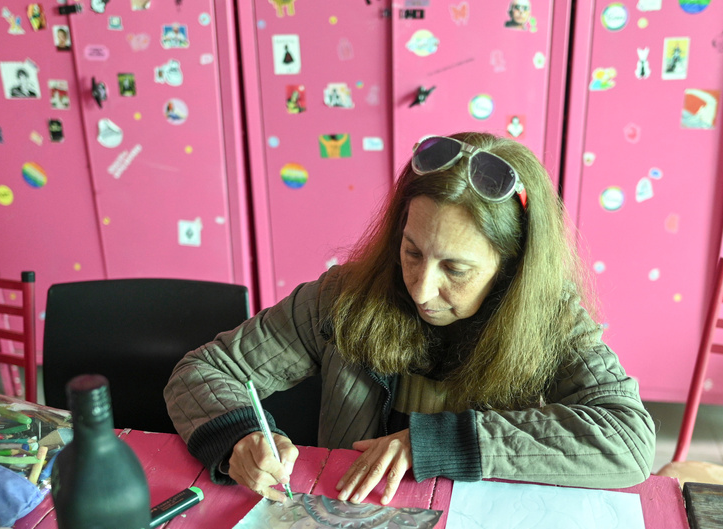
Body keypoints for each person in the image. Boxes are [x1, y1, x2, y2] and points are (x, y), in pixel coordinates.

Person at [165, 132, 655, 505]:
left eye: (455, 269)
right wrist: (242, 436)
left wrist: (439, 444)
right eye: (412, 251)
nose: (421, 288)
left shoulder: (553, 322)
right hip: (352, 520)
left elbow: (628, 440)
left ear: (511, 268)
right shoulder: (341, 298)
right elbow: (203, 371)